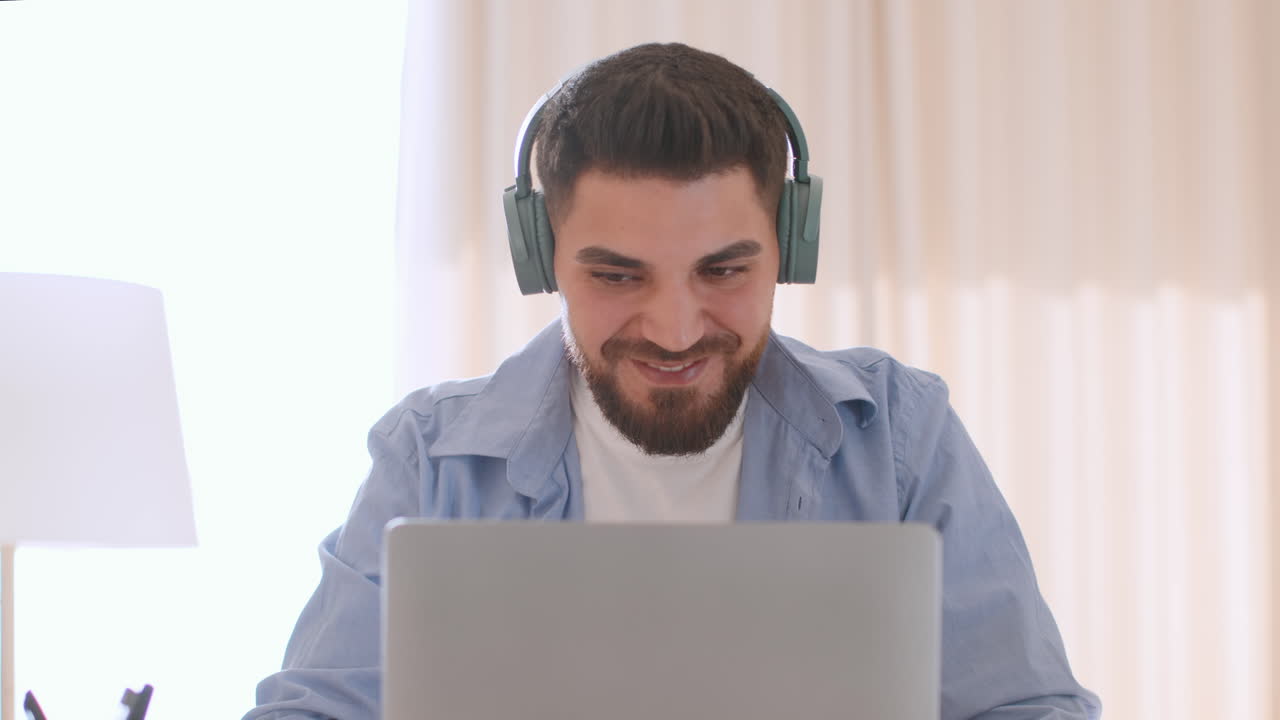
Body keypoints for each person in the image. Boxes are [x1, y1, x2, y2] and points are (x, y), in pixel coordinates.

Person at [244, 42, 1100, 720]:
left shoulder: (901, 439)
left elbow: (1030, 710)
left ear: (790, 248)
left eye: (724, 271)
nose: (675, 329)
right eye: (617, 276)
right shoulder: (428, 459)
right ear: (542, 257)